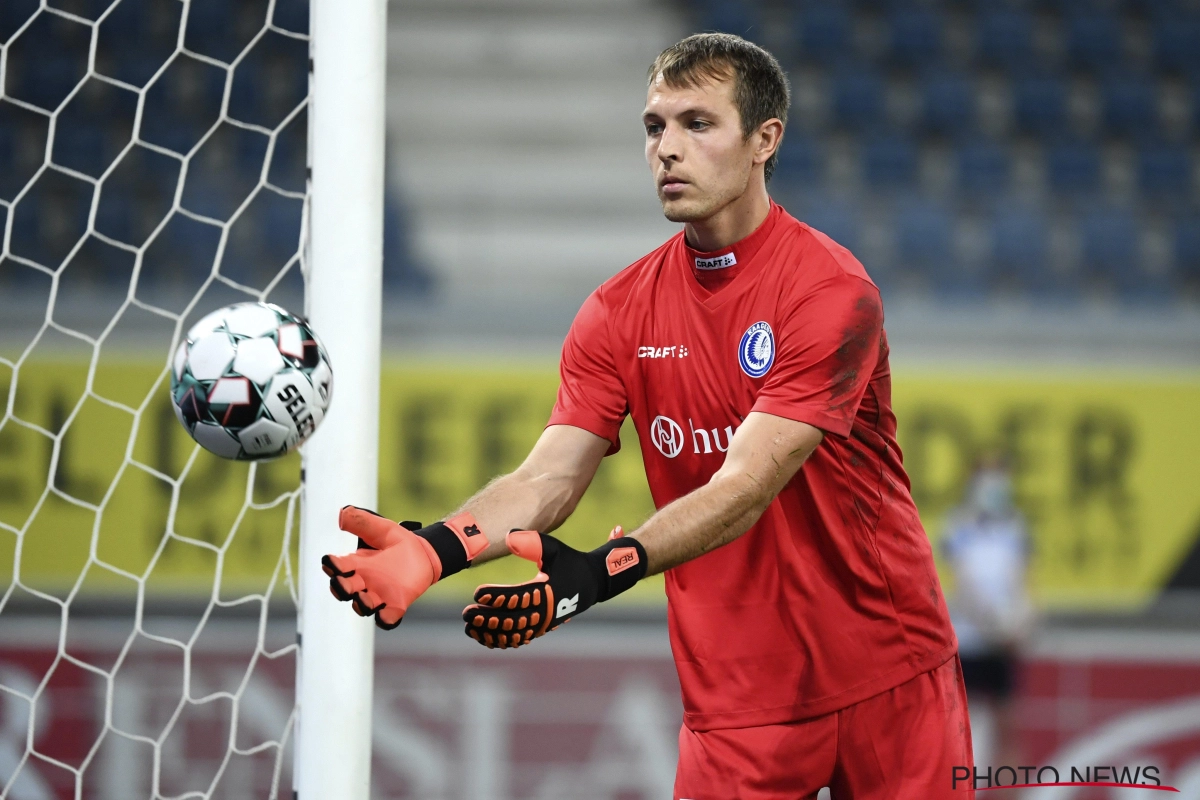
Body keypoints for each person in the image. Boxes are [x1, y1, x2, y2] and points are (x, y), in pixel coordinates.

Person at [322, 33, 972, 799]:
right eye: (654, 126)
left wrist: (600, 571)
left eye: (698, 124)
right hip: (736, 704)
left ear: (766, 140)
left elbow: (748, 483)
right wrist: (436, 551)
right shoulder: (617, 312)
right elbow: (550, 476)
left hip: (888, 675)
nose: (667, 149)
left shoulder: (830, 291)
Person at [943, 459, 1035, 773]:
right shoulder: (958, 525)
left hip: (1002, 644)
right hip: (967, 641)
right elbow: (959, 583)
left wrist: (1020, 622)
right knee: (956, 725)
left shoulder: (1016, 527)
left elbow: (1023, 583)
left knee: (1007, 726)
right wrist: (989, 622)